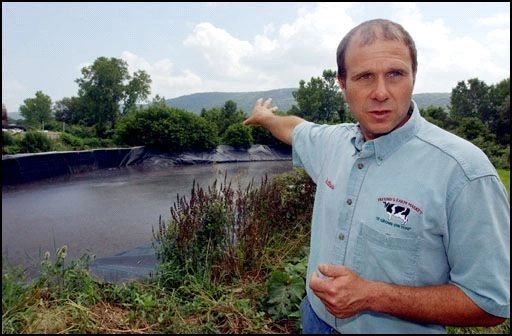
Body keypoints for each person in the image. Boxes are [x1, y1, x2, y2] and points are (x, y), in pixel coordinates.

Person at [244, 18, 510, 333]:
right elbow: (293, 128)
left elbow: (490, 303)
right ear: (343, 84)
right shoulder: (333, 143)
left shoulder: (464, 172)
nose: (381, 92)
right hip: (315, 319)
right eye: (364, 77)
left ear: (414, 76)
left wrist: (372, 296)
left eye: (395, 74)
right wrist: (265, 117)